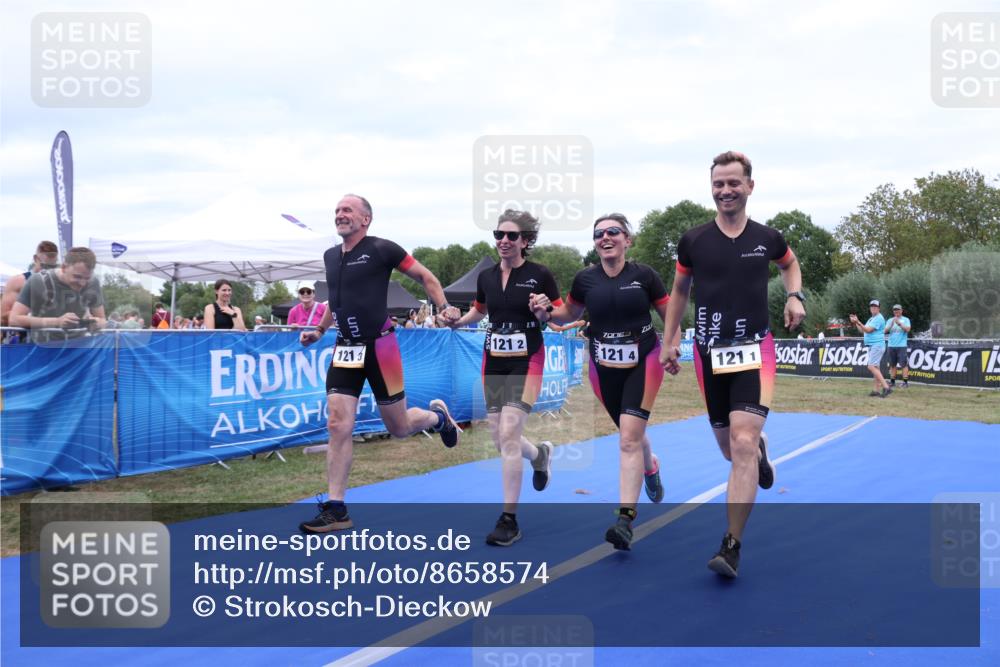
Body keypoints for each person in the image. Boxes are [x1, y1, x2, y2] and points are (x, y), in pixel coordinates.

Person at [659, 151, 805, 577]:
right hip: (709, 353)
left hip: (755, 351)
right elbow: (679, 291)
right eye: (718, 184)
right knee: (731, 449)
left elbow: (790, 263)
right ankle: (759, 450)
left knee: (741, 442)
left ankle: (731, 545)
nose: (726, 190)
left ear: (750, 187)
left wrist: (794, 295)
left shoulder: (768, 238)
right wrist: (669, 341)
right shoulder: (693, 241)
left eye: (733, 183)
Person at [298, 193, 462, 533]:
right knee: (337, 424)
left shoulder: (382, 249)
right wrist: (319, 330)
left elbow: (426, 277)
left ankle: (438, 418)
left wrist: (444, 306)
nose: (340, 214)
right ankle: (337, 509)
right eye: (337, 210)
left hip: (380, 347)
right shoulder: (330, 256)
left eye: (347, 210)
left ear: (365, 219)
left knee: (398, 428)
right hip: (346, 348)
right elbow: (336, 301)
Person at [542, 212, 679, 551]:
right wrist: (544, 310)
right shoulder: (585, 279)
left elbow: (671, 315)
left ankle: (624, 520)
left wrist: (672, 347)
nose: (605, 237)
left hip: (644, 360)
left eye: (613, 231)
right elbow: (568, 314)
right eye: (598, 233)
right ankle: (651, 467)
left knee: (628, 438)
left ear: (627, 240)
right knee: (631, 432)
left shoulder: (645, 276)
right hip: (602, 367)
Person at [444, 210, 562, 546]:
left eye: (512, 236)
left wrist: (544, 312)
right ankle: (539, 456)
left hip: (528, 359)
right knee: (500, 439)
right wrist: (458, 321)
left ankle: (508, 519)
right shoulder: (486, 276)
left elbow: (559, 315)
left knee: (509, 433)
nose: (504, 241)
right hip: (494, 361)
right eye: (499, 235)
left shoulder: (540, 274)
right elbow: (479, 310)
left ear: (526, 241)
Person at [9, 246, 107, 341]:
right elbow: (14, 320)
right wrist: (57, 322)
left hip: (78, 347)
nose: (82, 283)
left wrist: (97, 323)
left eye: (87, 278)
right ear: (64, 267)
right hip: (42, 347)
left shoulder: (93, 283)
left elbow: (102, 320)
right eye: (77, 277)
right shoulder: (38, 281)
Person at [1, 240, 59, 326]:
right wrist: (33, 317)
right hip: (22, 333)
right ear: (35, 259)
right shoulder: (18, 282)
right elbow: (3, 316)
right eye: (44, 265)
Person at [850, 299, 891, 397]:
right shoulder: (871, 319)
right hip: (874, 345)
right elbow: (862, 330)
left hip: (877, 345)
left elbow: (868, 330)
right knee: (876, 368)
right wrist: (856, 322)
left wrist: (858, 321)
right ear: (870, 308)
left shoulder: (879, 318)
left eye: (875, 307)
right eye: (872, 306)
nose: (873, 308)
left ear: (879, 308)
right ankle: (876, 390)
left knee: (871, 366)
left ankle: (886, 387)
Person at [884, 304, 911, 388]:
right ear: (893, 311)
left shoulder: (906, 319)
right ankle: (892, 382)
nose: (896, 311)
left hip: (902, 346)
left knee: (904, 365)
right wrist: (892, 324)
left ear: (901, 311)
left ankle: (905, 383)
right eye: (895, 310)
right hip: (891, 345)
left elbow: (907, 329)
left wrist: (899, 323)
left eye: (898, 310)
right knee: (892, 365)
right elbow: (884, 331)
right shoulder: (890, 320)